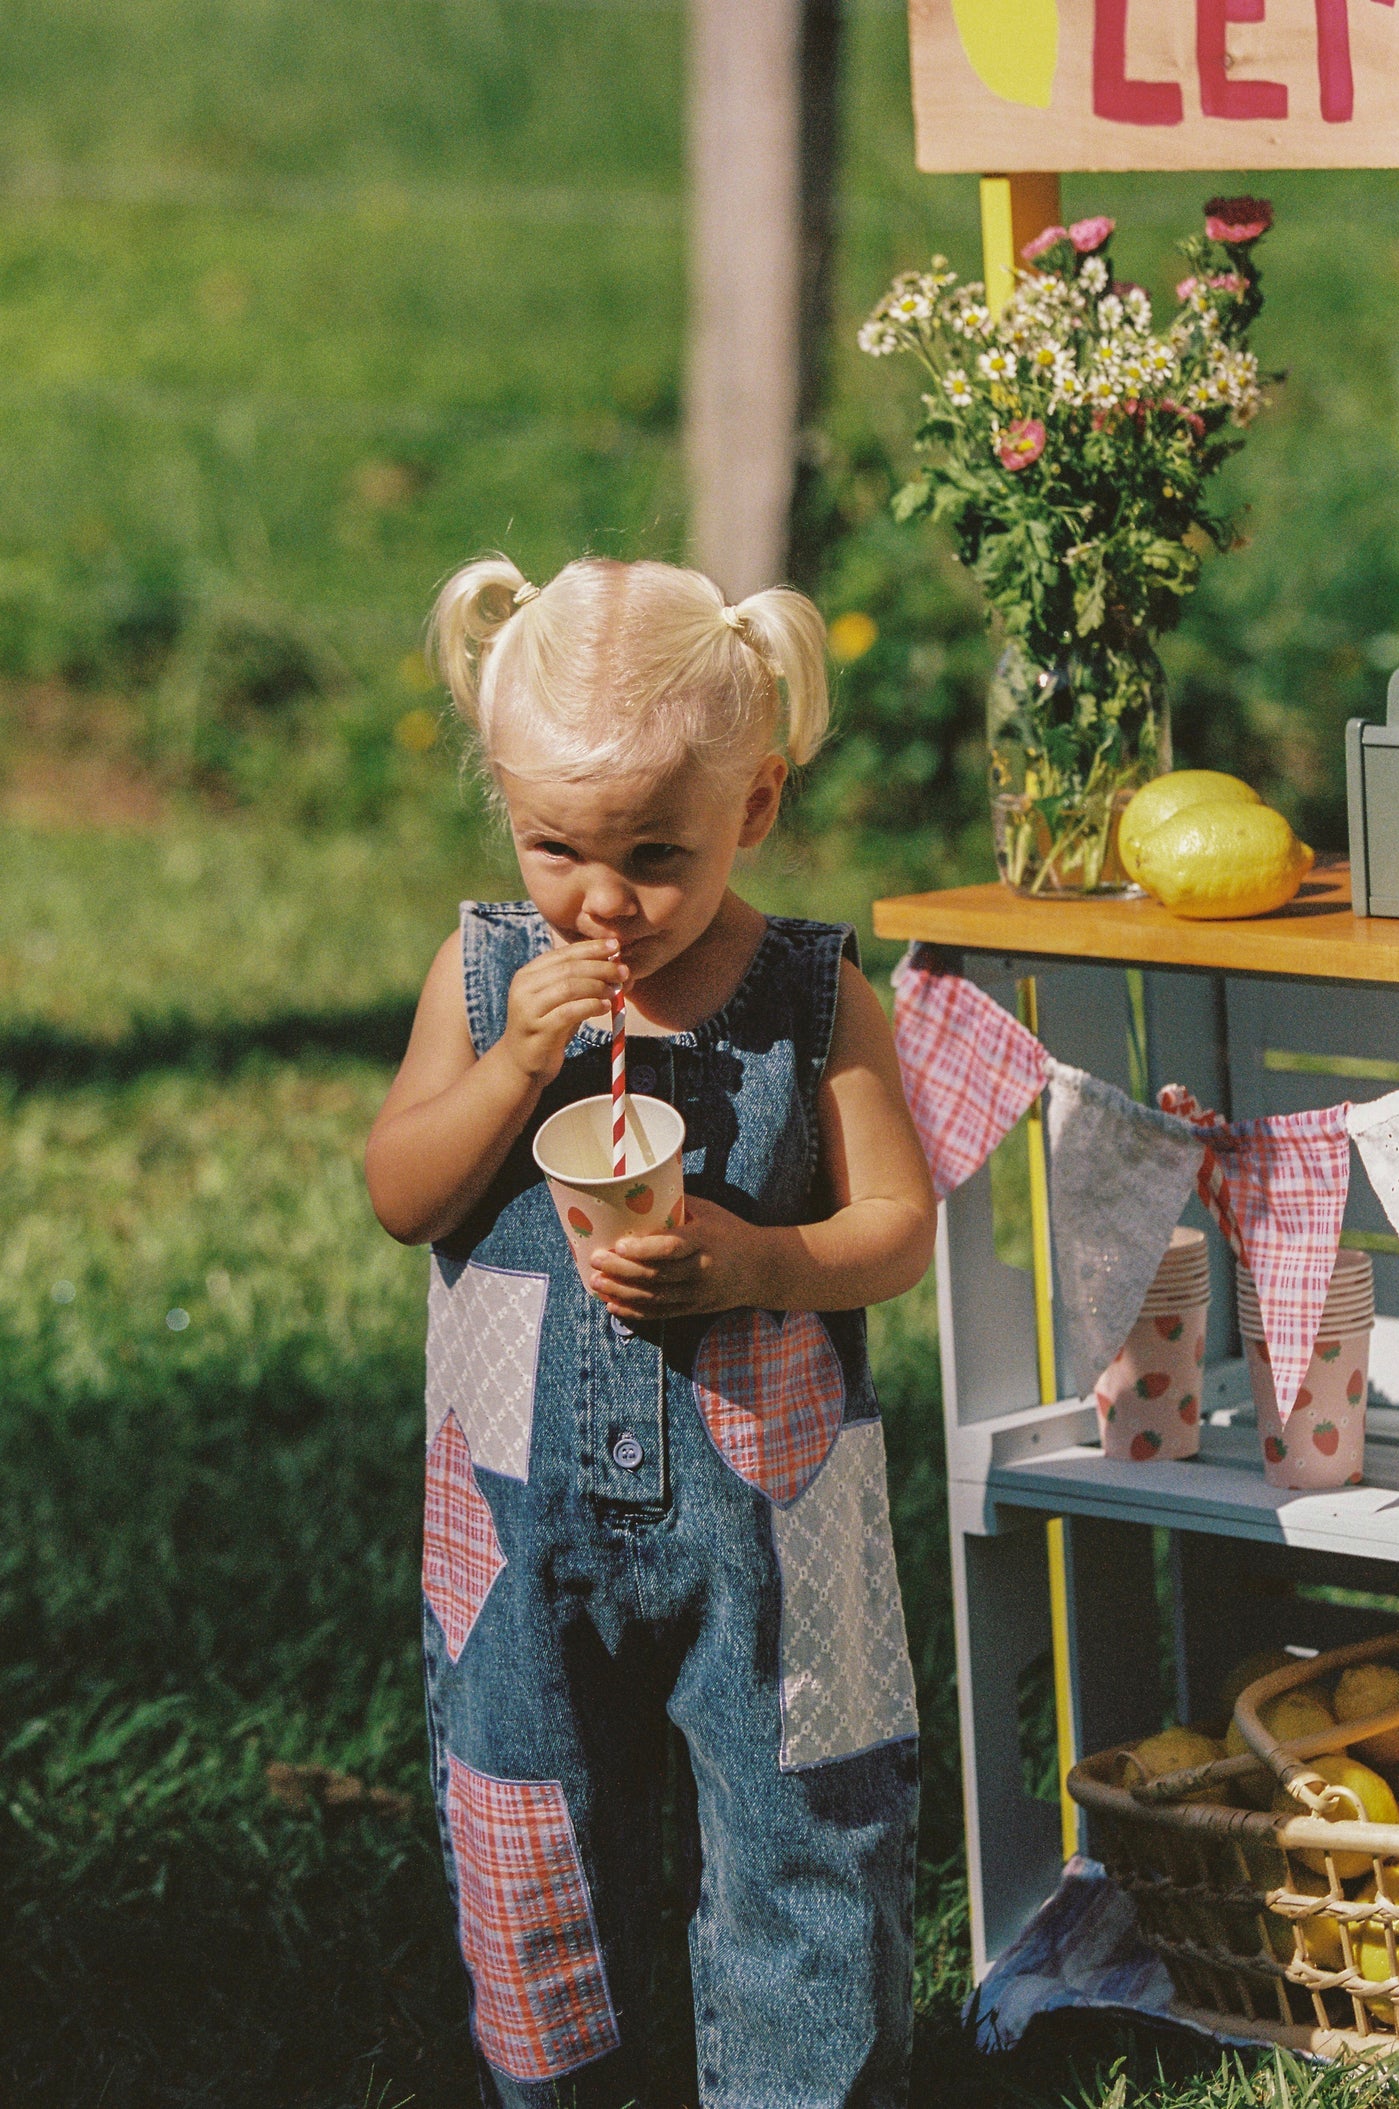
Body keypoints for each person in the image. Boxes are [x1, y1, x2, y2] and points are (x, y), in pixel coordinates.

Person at [365, 554, 937, 2109]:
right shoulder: (486, 977)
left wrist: (758, 1257)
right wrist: (505, 1074)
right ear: (502, 799)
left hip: (765, 1519)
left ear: (752, 808)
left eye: (654, 855)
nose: (602, 899)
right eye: (557, 846)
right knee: (534, 1803)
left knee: (798, 1813)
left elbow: (895, 1226)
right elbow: (400, 1188)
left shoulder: (817, 999)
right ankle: (570, 2085)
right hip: (518, 1516)